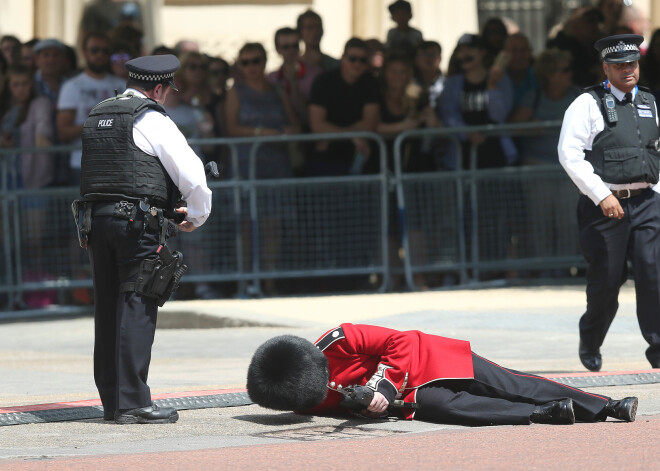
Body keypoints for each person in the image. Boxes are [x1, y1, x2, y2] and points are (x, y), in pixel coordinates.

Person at [78, 54, 212, 424]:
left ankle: (113, 402)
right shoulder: (150, 116)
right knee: (137, 302)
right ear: (158, 87)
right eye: (167, 90)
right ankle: (134, 402)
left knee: (108, 307)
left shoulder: (98, 113)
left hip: (96, 220)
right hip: (136, 223)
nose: (166, 96)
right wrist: (198, 214)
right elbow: (191, 174)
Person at [247, 324, 638, 426]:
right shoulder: (305, 398)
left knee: (510, 383)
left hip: (429, 359)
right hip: (411, 398)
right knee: (453, 408)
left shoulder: (340, 340)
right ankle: (541, 414)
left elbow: (398, 341)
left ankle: (605, 406)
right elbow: (340, 407)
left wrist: (382, 384)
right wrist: (370, 408)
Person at [558, 34, 660, 371]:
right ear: (606, 67)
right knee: (606, 281)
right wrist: (601, 194)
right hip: (604, 206)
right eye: (619, 65)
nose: (628, 70)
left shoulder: (649, 101)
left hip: (647, 201)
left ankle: (658, 346)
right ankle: (591, 338)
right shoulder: (588, 103)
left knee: (653, 272)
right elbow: (569, 154)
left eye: (632, 63)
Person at [57, 32, 124, 185]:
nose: (100, 54)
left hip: (119, 164)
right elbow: (63, 132)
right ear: (85, 53)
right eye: (94, 50)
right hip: (84, 165)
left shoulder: (122, 85)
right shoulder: (72, 86)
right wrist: (101, 123)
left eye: (105, 50)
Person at [308, 37, 380, 176]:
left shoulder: (371, 83)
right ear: (343, 58)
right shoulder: (323, 81)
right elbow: (317, 125)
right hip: (326, 160)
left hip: (359, 157)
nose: (357, 64)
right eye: (353, 58)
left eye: (362, 60)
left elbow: (370, 123)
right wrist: (353, 136)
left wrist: (336, 134)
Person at [267, 27, 321, 133]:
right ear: (278, 50)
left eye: (295, 46)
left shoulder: (315, 74)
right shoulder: (271, 79)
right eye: (286, 47)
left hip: (311, 133)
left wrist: (294, 83)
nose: (291, 50)